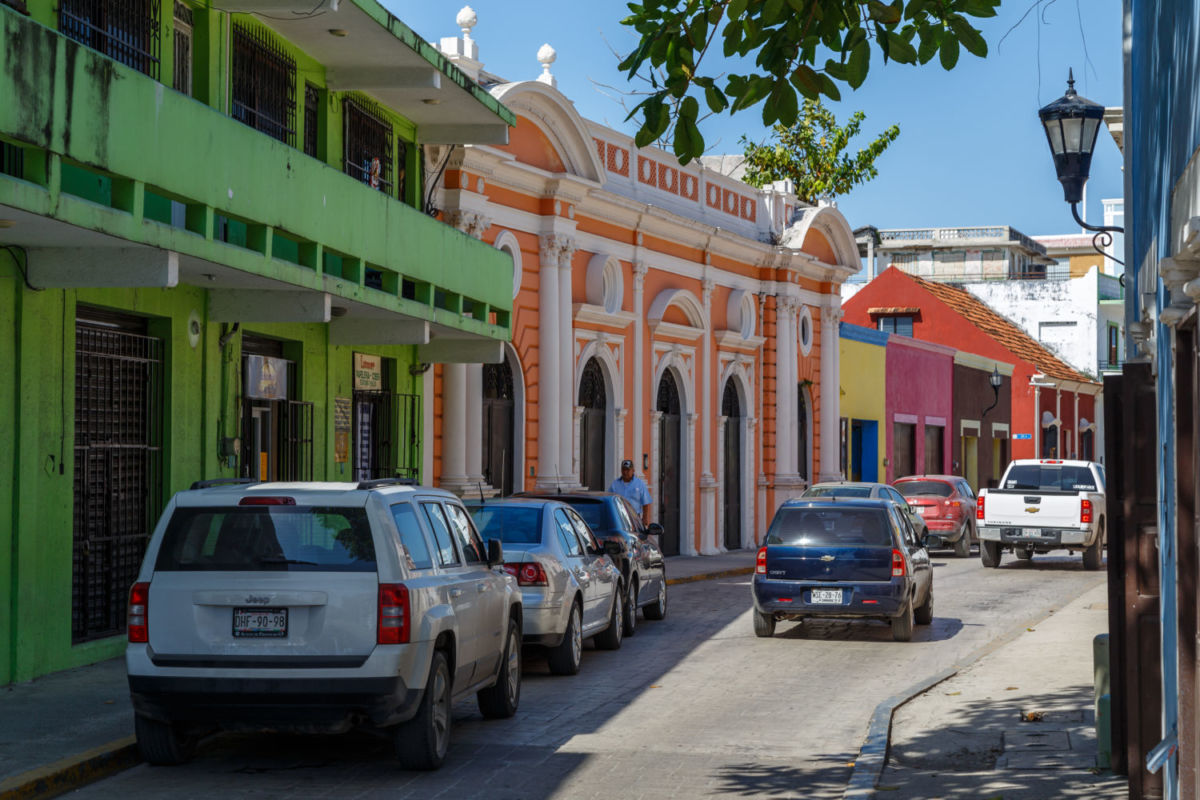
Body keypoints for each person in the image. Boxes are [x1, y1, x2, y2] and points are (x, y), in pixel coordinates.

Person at [609, 459, 652, 525]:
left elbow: (645, 502)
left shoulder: (639, 484)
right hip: (619, 518)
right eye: (623, 469)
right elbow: (609, 499)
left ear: (633, 470)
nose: (625, 472)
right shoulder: (615, 484)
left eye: (627, 470)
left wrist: (645, 518)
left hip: (634, 518)